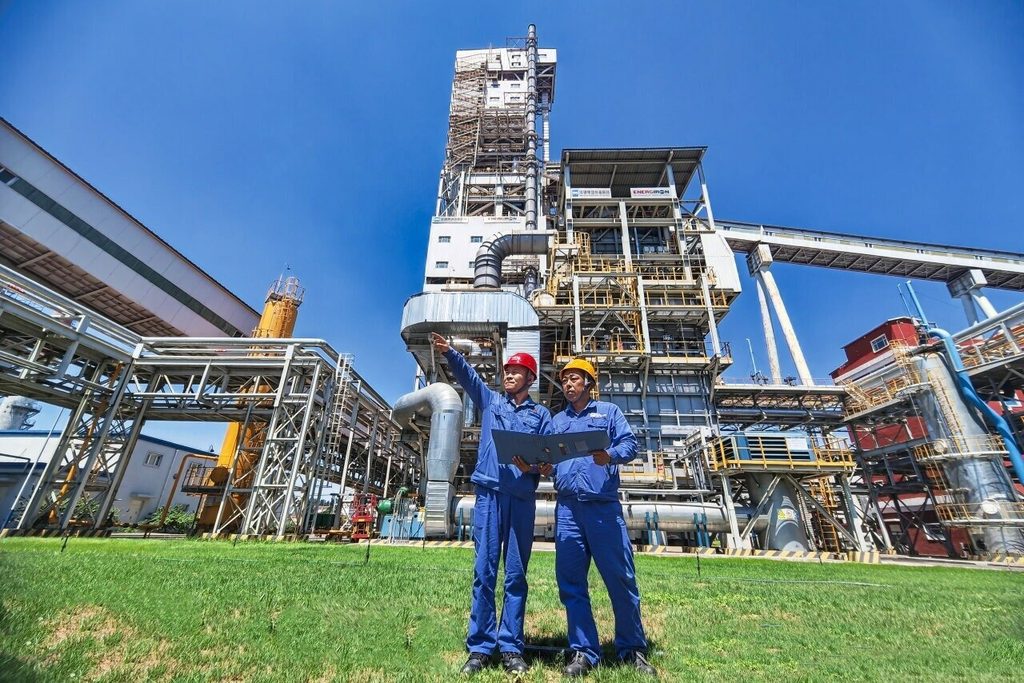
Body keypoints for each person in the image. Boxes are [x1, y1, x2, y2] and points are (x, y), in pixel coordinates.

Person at [430, 332, 552, 675]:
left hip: (521, 498)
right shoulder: (491, 402)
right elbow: (469, 378)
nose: (508, 375)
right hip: (489, 495)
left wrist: (540, 467)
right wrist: (451, 353)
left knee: (515, 575)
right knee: (484, 572)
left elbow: (548, 457)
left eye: (515, 371)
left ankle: (511, 647)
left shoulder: (541, 415)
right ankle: (480, 647)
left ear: (530, 378)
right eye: (506, 371)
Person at [550, 358, 657, 677]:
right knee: (571, 583)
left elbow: (631, 444)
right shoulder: (557, 421)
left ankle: (632, 649)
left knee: (620, 579)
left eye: (574, 378)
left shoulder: (609, 413)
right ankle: (584, 651)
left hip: (603, 509)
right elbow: (551, 458)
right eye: (565, 380)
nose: (568, 384)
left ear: (589, 383)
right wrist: (542, 465)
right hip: (568, 510)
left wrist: (609, 455)